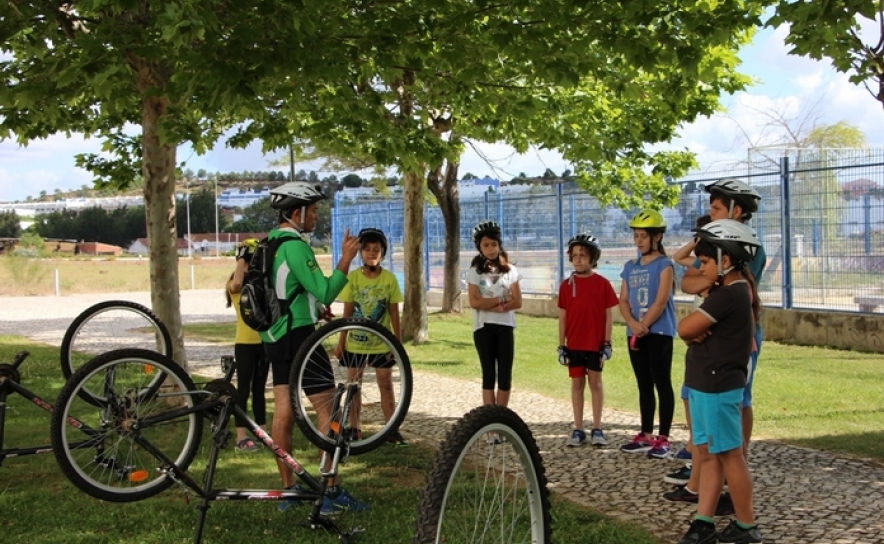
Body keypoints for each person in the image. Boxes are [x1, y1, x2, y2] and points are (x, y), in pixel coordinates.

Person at [258, 181, 367, 516]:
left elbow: (286, 289)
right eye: (313, 210)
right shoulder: (296, 246)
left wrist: (311, 307)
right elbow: (326, 290)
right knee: (328, 407)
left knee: (284, 412)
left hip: (274, 336)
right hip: (300, 336)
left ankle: (289, 490)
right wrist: (346, 259)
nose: (316, 216)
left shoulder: (269, 244)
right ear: (297, 212)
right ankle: (329, 491)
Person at [665, 179, 764, 509]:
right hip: (707, 357)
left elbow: (701, 302)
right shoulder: (716, 252)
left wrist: (705, 303)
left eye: (717, 208)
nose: (710, 212)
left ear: (737, 211)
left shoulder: (744, 252)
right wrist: (706, 277)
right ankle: (703, 492)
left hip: (729, 352)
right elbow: (690, 279)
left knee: (732, 431)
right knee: (710, 444)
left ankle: (735, 488)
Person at [336, 227, 407, 446]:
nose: (371, 253)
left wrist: (397, 340)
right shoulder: (354, 278)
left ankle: (391, 428)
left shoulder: (389, 279)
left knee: (385, 384)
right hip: (355, 343)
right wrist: (341, 341)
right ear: (360, 253)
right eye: (366, 249)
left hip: (382, 344)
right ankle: (354, 427)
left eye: (376, 250)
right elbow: (347, 311)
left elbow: (394, 311)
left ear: (383, 253)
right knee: (354, 384)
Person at [618, 209, 676, 459]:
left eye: (643, 236)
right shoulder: (629, 267)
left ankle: (663, 437)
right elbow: (623, 300)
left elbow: (661, 301)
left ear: (657, 237)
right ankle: (645, 433)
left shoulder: (665, 265)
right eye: (636, 236)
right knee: (644, 384)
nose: (639, 241)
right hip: (635, 332)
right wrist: (632, 322)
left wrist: (645, 325)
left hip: (658, 332)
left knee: (662, 382)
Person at [557, 233, 618, 447]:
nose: (578, 259)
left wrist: (607, 342)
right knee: (576, 384)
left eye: (583, 255)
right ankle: (578, 427)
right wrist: (561, 345)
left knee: (596, 383)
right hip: (574, 344)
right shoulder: (566, 285)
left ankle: (598, 427)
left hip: (595, 343)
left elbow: (609, 315)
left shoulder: (602, 284)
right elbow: (562, 316)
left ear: (592, 258)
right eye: (574, 255)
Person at [466, 220, 522, 442]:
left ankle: (501, 422)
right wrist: (500, 300)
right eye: (486, 245)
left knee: (505, 375)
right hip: (483, 328)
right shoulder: (474, 271)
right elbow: (474, 302)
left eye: (494, 244)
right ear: (479, 247)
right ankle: (489, 427)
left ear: (500, 245)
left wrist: (491, 302)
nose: (490, 248)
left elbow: (517, 301)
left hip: (505, 327)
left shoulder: (511, 270)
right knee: (489, 375)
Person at [226, 238, 270, 452]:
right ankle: (241, 437)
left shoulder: (259, 283)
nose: (250, 265)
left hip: (262, 343)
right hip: (244, 344)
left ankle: (262, 433)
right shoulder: (235, 285)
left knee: (259, 390)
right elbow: (236, 283)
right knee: (243, 391)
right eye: (247, 261)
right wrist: (243, 257)